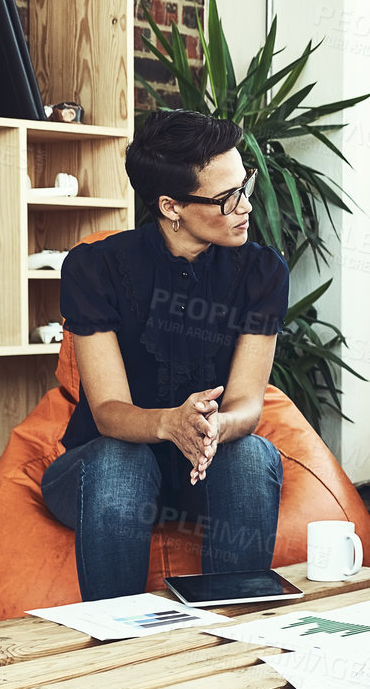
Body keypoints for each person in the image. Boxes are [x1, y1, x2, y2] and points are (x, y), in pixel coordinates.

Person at [47, 110, 287, 601]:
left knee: (249, 455)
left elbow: (246, 402)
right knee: (122, 462)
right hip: (101, 470)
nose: (245, 207)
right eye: (226, 198)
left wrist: (214, 427)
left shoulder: (262, 272)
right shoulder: (96, 268)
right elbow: (109, 412)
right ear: (171, 206)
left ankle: (237, 639)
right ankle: (116, 650)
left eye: (247, 185)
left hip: (199, 474)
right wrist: (169, 423)